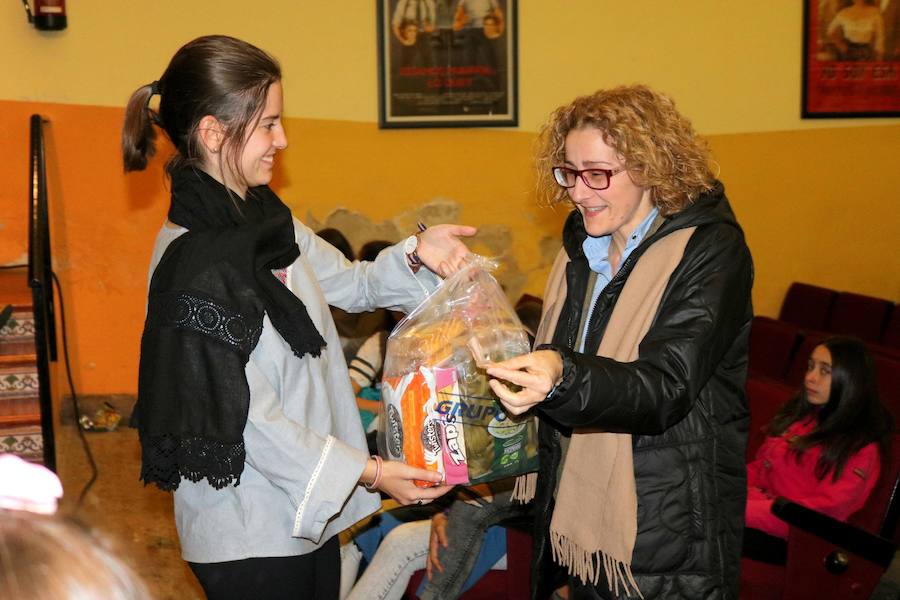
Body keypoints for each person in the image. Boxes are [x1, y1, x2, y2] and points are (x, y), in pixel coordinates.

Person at [122, 35, 473, 599]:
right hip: (250, 530)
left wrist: (417, 251)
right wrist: (374, 473)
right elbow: (248, 421)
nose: (282, 140)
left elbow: (352, 284)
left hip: (304, 516)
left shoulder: (266, 222)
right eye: (268, 125)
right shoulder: (196, 265)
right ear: (213, 133)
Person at [485, 85, 754, 599]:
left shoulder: (712, 250)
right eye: (569, 172)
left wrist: (559, 373)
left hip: (668, 519)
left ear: (651, 166)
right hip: (579, 513)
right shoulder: (581, 251)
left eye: (597, 174)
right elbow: (571, 363)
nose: (579, 193)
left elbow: (663, 387)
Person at [744, 337, 893, 551]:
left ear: (850, 380)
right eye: (810, 367)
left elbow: (822, 515)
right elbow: (761, 469)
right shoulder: (803, 417)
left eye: (825, 371)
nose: (810, 378)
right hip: (761, 512)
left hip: (799, 539)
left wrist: (738, 508)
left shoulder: (861, 446)